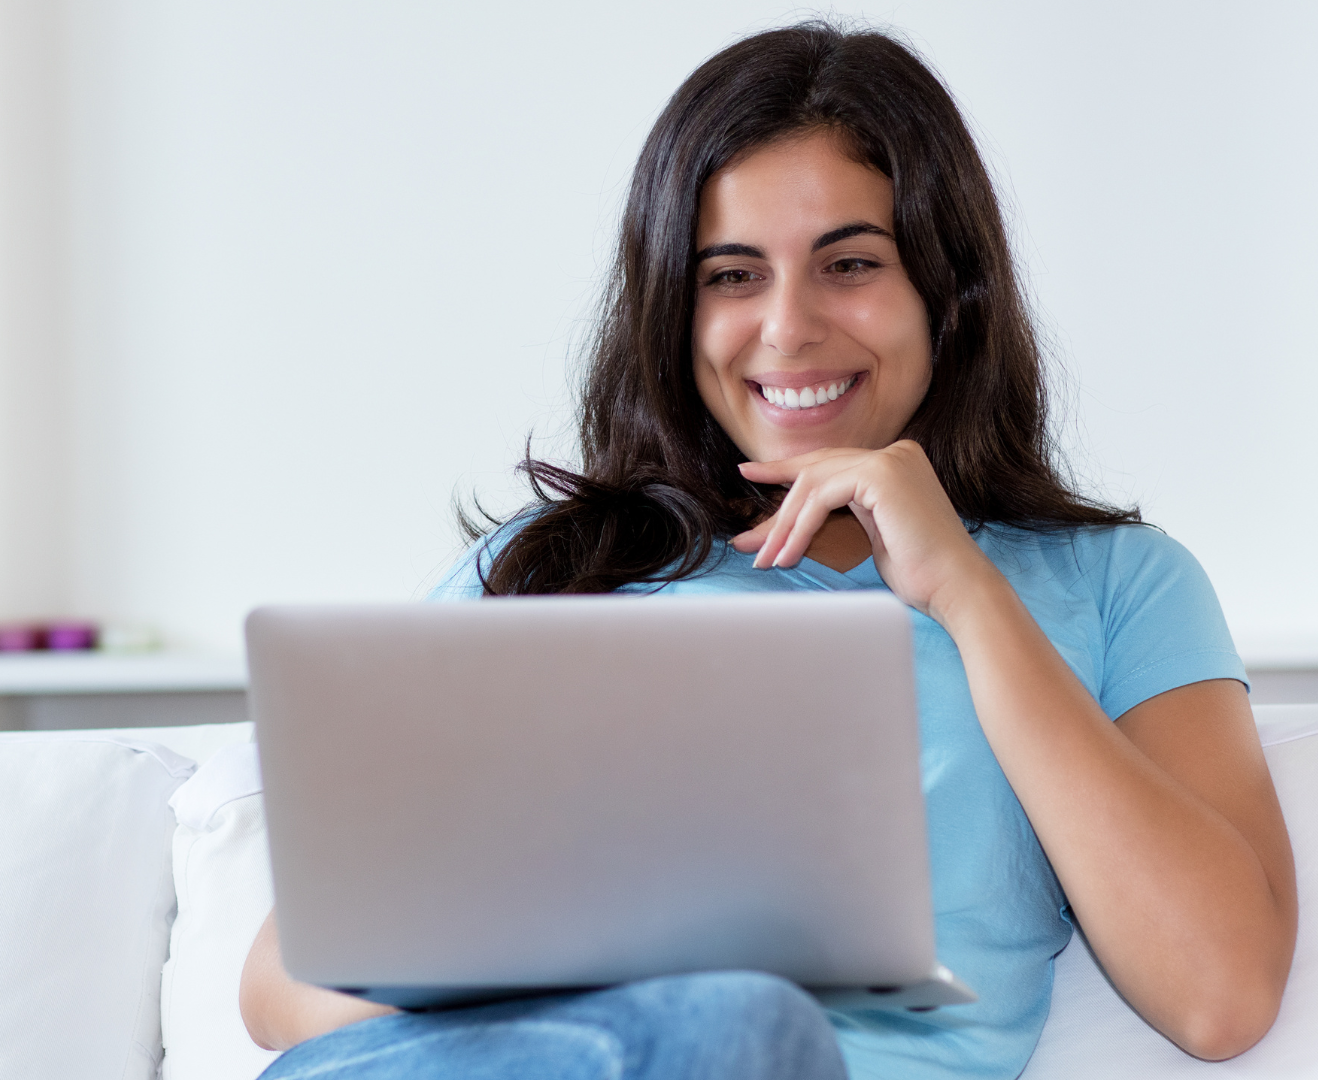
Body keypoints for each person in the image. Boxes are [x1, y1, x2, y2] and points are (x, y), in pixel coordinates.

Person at [238, 21, 1298, 1080]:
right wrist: (591, 933)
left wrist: (965, 594)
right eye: (732, 276)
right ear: (672, 309)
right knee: (716, 1018)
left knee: (745, 1031)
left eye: (849, 264)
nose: (786, 329)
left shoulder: (1115, 585)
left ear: (948, 292)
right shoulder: (542, 569)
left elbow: (1221, 995)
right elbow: (281, 988)